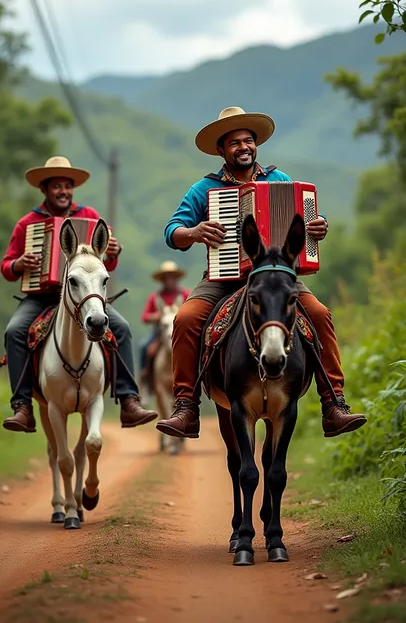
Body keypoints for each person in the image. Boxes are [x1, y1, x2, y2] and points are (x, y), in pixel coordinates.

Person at [156, 107, 367, 440]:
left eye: (249, 140)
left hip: (277, 275)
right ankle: (187, 407)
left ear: (256, 145)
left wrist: (318, 225)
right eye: (235, 142)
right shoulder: (203, 189)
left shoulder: (279, 180)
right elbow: (172, 231)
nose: (244, 147)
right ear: (221, 150)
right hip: (223, 276)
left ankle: (333, 404)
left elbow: (309, 216)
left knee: (320, 314)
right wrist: (194, 232)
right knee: (185, 318)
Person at [0, 156, 158, 433]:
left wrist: (113, 254)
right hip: (42, 296)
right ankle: (22, 407)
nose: (63, 191)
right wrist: (18, 264)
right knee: (14, 331)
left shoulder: (90, 216)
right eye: (57, 186)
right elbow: (6, 266)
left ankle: (128, 401)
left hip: (84, 296)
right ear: (45, 190)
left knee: (120, 326)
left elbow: (104, 266)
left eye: (68, 186)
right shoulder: (28, 223)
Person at [139, 261, 190, 389]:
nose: (169, 280)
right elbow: (145, 316)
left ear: (176, 278)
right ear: (162, 280)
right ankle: (145, 379)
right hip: (160, 333)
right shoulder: (155, 297)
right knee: (145, 347)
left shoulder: (185, 295)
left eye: (172, 277)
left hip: (180, 331)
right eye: (167, 277)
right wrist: (156, 316)